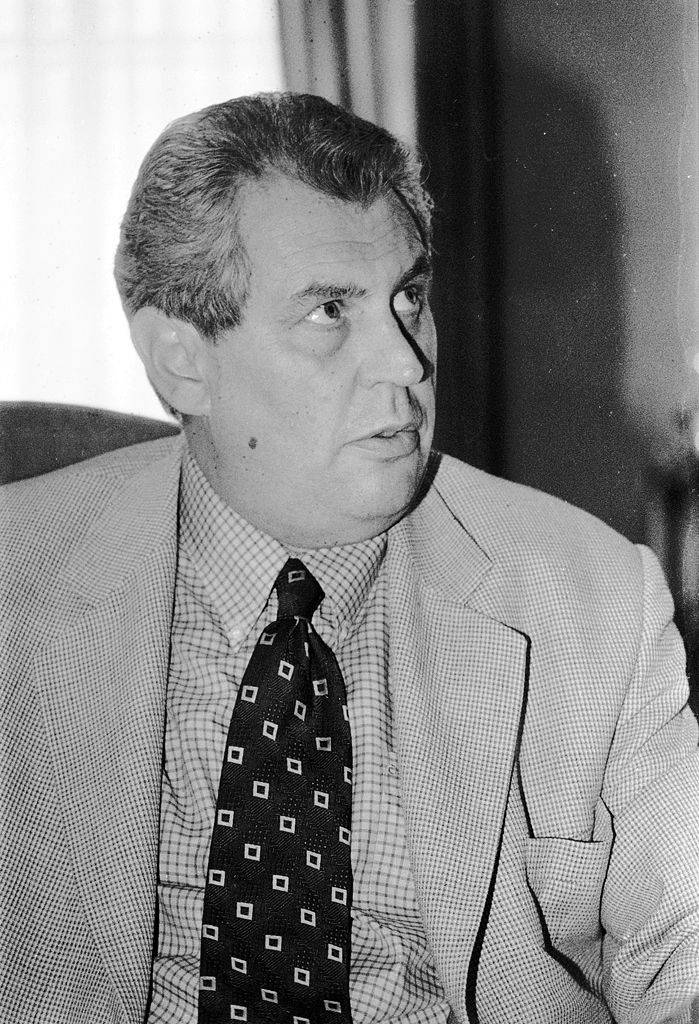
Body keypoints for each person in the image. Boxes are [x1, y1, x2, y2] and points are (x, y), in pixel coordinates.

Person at [1, 92, 698, 1024]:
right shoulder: (16, 577)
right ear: (182, 361)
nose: (408, 365)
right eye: (330, 310)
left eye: (409, 297)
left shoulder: (592, 601)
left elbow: (686, 951)